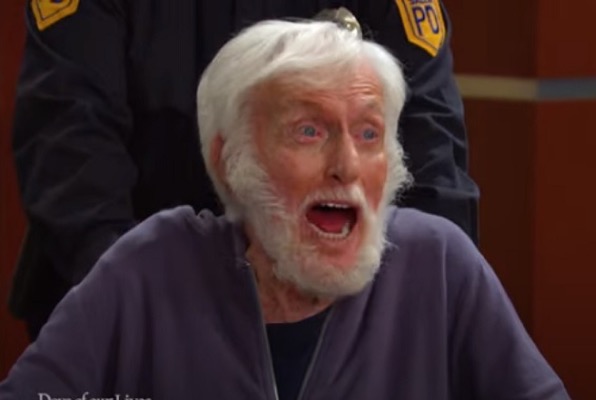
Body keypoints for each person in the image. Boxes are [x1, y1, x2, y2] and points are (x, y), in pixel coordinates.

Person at [0, 19, 568, 399]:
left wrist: (414, 302)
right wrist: (148, 317)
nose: (347, 165)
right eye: (308, 132)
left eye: (369, 134)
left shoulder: (438, 264)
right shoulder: (146, 268)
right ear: (229, 161)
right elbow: (67, 131)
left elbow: (433, 135)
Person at [10, 0, 479, 341]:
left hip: (341, 314)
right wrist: (136, 302)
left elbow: (432, 153)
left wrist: (415, 308)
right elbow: (69, 140)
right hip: (121, 302)